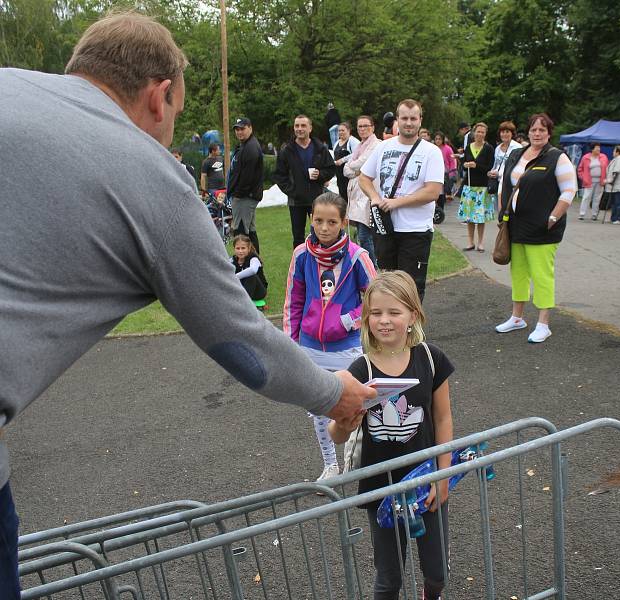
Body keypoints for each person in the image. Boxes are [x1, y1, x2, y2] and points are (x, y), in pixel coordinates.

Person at [0, 13, 374, 597]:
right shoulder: (151, 173)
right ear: (161, 94)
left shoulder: (9, 83)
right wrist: (337, 393)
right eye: (175, 114)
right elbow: (241, 343)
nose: (172, 128)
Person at [328, 271, 454, 600]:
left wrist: (443, 476)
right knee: (389, 579)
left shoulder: (431, 358)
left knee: (438, 571)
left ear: (413, 315)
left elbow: (443, 418)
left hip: (425, 480)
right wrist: (345, 423)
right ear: (366, 318)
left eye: (394, 312)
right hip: (381, 488)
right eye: (376, 313)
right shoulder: (360, 370)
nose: (384, 321)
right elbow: (336, 434)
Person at [284, 193, 376, 481]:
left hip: (346, 349)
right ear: (311, 218)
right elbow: (293, 300)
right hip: (310, 347)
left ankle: (354, 457)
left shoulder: (357, 257)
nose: (324, 228)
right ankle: (330, 464)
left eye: (332, 222)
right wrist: (292, 343)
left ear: (344, 222)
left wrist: (349, 321)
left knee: (353, 405)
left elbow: (376, 299)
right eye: (319, 220)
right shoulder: (301, 254)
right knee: (320, 410)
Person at [494, 113, 577, 343]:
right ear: (528, 132)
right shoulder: (516, 154)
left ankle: (543, 323)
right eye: (533, 130)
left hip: (543, 228)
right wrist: (502, 211)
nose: (537, 134)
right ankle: (517, 317)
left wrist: (553, 217)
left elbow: (570, 190)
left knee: (542, 275)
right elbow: (504, 183)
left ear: (549, 133)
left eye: (542, 130)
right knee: (518, 272)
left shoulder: (557, 157)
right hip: (516, 225)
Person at [359, 99, 445, 301]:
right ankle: (391, 330)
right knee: (388, 284)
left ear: (420, 121)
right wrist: (374, 197)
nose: (408, 123)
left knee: (411, 287)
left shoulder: (431, 152)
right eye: (404, 118)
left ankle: (411, 332)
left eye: (413, 118)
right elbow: (364, 177)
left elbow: (432, 192)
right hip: (386, 229)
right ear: (397, 120)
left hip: (415, 231)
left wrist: (396, 202)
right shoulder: (383, 147)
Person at [274, 115, 337, 249]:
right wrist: (292, 190)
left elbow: (331, 169)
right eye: (297, 126)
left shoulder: (320, 148)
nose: (299, 129)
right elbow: (279, 175)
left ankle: (320, 261)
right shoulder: (287, 149)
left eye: (303, 126)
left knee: (320, 233)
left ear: (310, 128)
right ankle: (300, 265)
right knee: (298, 237)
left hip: (317, 199)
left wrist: (320, 175)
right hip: (296, 201)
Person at [344, 115, 381, 267]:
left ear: (372, 127)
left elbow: (363, 162)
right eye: (360, 126)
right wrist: (355, 168)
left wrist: (354, 166)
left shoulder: (376, 144)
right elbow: (346, 170)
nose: (363, 129)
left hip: (367, 196)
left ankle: (371, 267)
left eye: (366, 126)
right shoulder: (359, 146)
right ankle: (368, 266)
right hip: (356, 197)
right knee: (362, 235)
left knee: (365, 236)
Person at [228, 117, 264, 252]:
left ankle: (247, 264)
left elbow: (247, 178)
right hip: (245, 197)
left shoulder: (251, 148)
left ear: (250, 128)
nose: (239, 132)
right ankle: (256, 264)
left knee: (241, 232)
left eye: (242, 128)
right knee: (250, 231)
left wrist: (237, 194)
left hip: (245, 197)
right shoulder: (245, 145)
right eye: (237, 129)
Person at [457, 122, 495, 252]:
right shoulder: (468, 147)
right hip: (469, 186)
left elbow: (489, 167)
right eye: (478, 131)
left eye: (482, 132)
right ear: (474, 132)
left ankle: (480, 242)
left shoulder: (489, 148)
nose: (480, 134)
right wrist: (466, 165)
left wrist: (476, 166)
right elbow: (463, 163)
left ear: (485, 134)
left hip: (482, 187)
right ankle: (470, 242)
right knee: (470, 216)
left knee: (480, 217)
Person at [488, 121, 522, 213]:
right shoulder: (498, 148)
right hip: (498, 183)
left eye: (507, 132)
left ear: (512, 133)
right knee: (500, 211)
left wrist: (499, 173)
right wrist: (491, 172)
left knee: (510, 210)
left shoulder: (517, 147)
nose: (504, 134)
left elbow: (518, 167)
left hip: (511, 184)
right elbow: (496, 165)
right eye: (502, 132)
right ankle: (503, 227)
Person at [231, 234, 268, 311]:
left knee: (251, 276)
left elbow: (253, 270)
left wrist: (235, 276)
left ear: (248, 248)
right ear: (234, 249)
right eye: (238, 248)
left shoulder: (253, 258)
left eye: (243, 248)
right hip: (240, 289)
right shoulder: (232, 260)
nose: (240, 251)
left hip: (258, 292)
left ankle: (244, 303)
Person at [577, 143, 608, 220]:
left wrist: (606, 179)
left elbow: (607, 168)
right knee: (586, 197)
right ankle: (582, 214)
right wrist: (583, 178)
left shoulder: (603, 157)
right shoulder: (586, 157)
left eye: (599, 148)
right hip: (589, 181)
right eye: (597, 148)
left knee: (597, 198)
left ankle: (594, 215)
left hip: (600, 181)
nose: (598, 150)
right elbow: (580, 169)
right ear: (592, 149)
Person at [333, 121, 360, 202]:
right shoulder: (337, 142)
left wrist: (342, 160)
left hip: (349, 174)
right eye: (339, 130)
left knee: (350, 195)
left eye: (342, 130)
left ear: (348, 131)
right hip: (339, 174)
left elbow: (357, 153)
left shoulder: (353, 141)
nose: (340, 132)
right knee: (342, 194)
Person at [605, 145, 620, 224]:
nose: (613, 152)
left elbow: (616, 171)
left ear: (618, 152)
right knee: (614, 202)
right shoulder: (617, 159)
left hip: (619, 185)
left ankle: (619, 218)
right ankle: (614, 218)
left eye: (614, 151)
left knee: (619, 202)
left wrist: (611, 180)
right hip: (616, 185)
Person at [434, 131, 458, 201]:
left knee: (443, 191)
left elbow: (452, 161)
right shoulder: (432, 148)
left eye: (439, 139)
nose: (438, 141)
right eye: (436, 139)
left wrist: (452, 172)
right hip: (435, 172)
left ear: (443, 140)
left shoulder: (448, 148)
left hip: (446, 173)